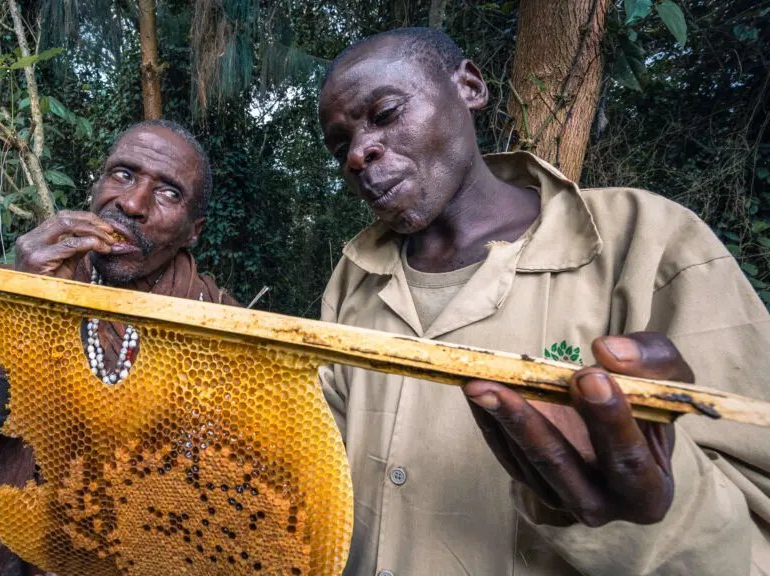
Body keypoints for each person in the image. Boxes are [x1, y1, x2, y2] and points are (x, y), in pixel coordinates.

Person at [317, 27, 770, 575]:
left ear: (470, 87)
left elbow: (755, 526)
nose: (358, 156)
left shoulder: (648, 241)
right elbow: (323, 466)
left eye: (386, 113)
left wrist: (652, 513)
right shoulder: (353, 276)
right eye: (341, 148)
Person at [0, 120, 238, 575]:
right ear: (96, 185)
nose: (132, 203)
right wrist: (18, 327)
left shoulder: (226, 330)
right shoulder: (11, 291)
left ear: (194, 230)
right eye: (122, 174)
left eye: (168, 193)